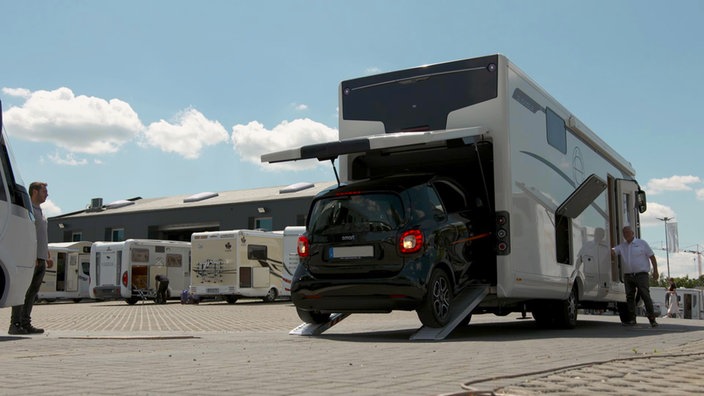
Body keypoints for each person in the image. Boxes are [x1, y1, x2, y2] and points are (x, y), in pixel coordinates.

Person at [9, 182, 50, 335]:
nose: (47, 194)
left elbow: (41, 235)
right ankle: (16, 324)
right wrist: (31, 255)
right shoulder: (28, 210)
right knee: (23, 291)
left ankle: (26, 323)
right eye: (44, 191)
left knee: (32, 293)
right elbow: (26, 235)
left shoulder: (40, 211)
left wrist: (47, 254)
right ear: (35, 191)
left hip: (41, 258)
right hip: (31, 258)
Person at [612, 225, 659, 327]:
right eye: (624, 233)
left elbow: (652, 256)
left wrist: (655, 271)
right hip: (628, 275)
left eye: (628, 232)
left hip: (641, 275)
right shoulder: (622, 246)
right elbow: (613, 251)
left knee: (645, 295)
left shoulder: (641, 243)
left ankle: (652, 319)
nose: (626, 235)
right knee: (629, 297)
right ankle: (632, 319)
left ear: (633, 233)